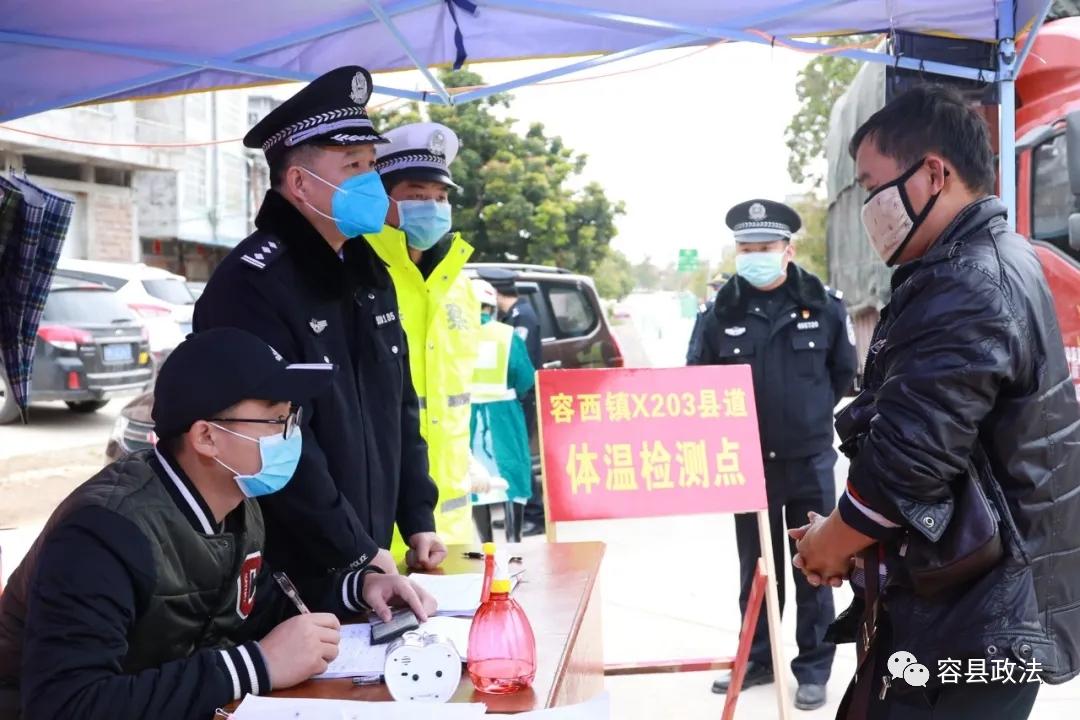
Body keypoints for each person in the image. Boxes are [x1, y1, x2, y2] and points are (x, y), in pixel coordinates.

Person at [790, 85, 1080, 720]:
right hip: (981, 604)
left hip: (976, 623)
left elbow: (909, 462)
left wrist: (832, 542)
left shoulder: (966, 281)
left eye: (871, 185)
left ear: (932, 173)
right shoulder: (1000, 260)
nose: (867, 207)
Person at [0, 328, 436, 720]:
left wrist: (358, 589)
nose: (291, 435)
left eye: (292, 417)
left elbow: (261, 606)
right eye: (275, 419)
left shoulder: (237, 501)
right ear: (206, 437)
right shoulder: (102, 534)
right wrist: (255, 667)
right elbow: (64, 704)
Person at [193, 66, 446, 580]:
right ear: (300, 183)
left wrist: (416, 516)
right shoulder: (252, 284)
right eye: (353, 165)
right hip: (286, 568)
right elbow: (269, 438)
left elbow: (399, 403)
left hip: (368, 561)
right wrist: (354, 551)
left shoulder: (368, 271)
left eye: (373, 165)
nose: (373, 181)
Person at [688, 199, 857, 711]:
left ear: (788, 250)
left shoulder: (824, 306)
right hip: (747, 464)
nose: (754, 256)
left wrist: (804, 419)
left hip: (808, 460)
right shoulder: (720, 312)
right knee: (757, 568)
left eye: (764, 248)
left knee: (815, 562)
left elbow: (842, 374)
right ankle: (758, 658)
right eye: (746, 248)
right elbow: (698, 379)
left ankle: (812, 668)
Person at [367, 122, 479, 554]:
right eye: (416, 195)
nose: (432, 206)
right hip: (385, 534)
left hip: (452, 524)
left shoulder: (461, 286)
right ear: (382, 197)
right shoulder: (359, 278)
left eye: (441, 197)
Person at [468, 279, 537, 543]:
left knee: (476, 481)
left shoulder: (454, 336)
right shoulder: (507, 335)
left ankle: (486, 544)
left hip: (468, 417)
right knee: (513, 474)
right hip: (504, 415)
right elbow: (525, 378)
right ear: (490, 306)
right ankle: (514, 541)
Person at [685, 270, 730, 364]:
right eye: (715, 287)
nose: (717, 290)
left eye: (719, 286)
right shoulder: (707, 311)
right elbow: (695, 347)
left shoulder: (744, 309)